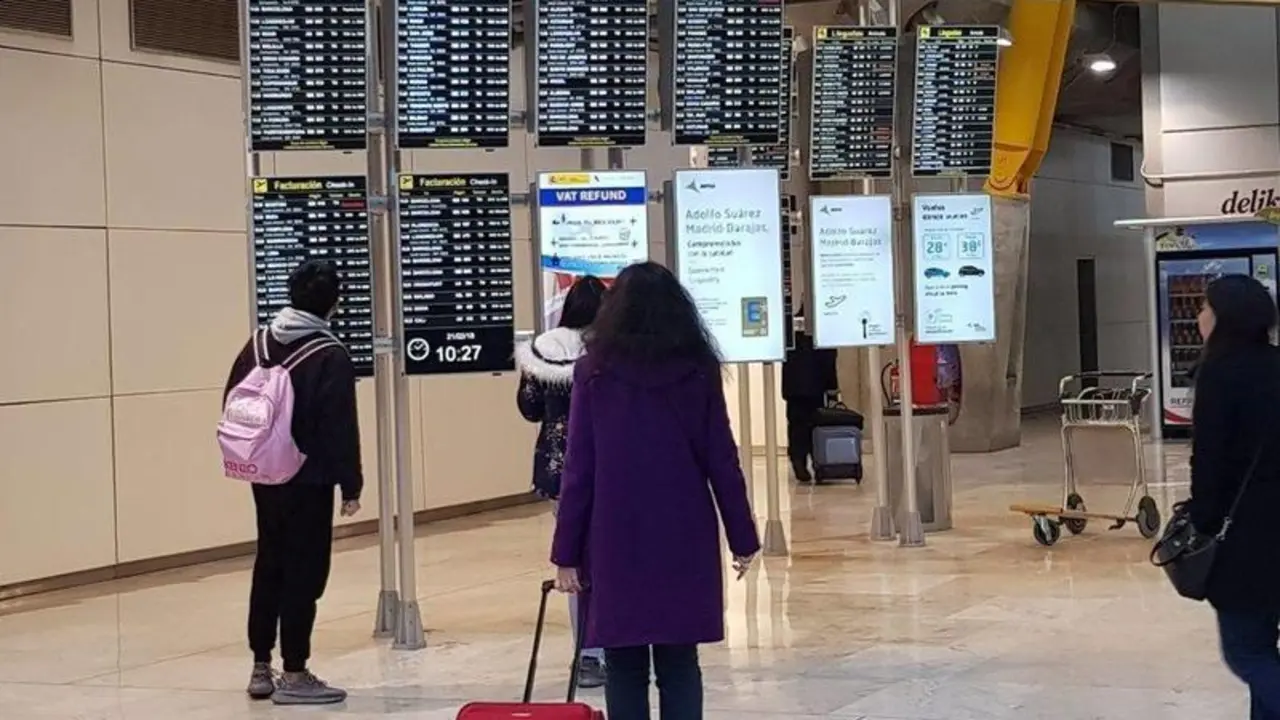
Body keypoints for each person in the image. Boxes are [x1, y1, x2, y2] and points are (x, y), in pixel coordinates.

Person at [551, 262, 761, 720]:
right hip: (684, 533)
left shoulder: (593, 373)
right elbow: (721, 460)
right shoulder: (698, 370)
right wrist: (743, 537)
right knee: (680, 661)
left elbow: (579, 469)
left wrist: (566, 551)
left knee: (624, 662)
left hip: (614, 536)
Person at [223, 259, 363, 705]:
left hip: (263, 472)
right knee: (306, 571)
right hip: (309, 477)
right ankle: (296, 671)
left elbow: (233, 397)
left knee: (270, 560)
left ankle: (260, 665)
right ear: (333, 303)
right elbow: (340, 425)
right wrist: (351, 484)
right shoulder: (330, 354)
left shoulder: (258, 343)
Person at [1186, 274, 1280, 720]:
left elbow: (1210, 462)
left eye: (1205, 308)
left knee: (1247, 652)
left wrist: (1201, 525)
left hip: (1245, 539)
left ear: (1223, 318)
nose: (1199, 317)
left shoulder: (1219, 374)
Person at [515, 275, 608, 688]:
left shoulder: (545, 348)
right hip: (610, 464)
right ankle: (616, 643)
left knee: (574, 557)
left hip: (560, 468)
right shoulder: (612, 349)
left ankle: (585, 653)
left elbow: (529, 408)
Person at [781, 308, 839, 481]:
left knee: (796, 424)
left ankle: (798, 460)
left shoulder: (788, 323)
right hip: (816, 384)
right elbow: (829, 357)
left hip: (793, 386)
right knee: (816, 424)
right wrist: (832, 386)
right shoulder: (822, 323)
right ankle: (818, 461)